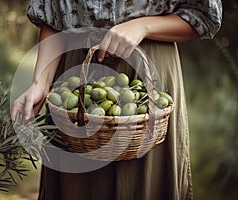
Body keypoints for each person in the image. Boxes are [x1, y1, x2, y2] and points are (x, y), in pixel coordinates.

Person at [12, 1, 222, 199]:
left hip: (145, 69)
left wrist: (143, 27)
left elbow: (203, 16)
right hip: (77, 78)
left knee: (143, 185)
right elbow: (52, 19)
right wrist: (40, 83)